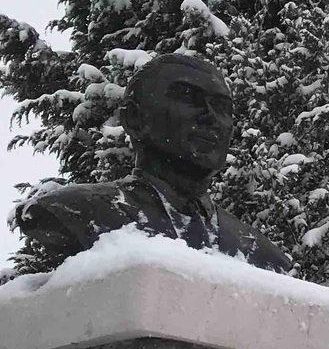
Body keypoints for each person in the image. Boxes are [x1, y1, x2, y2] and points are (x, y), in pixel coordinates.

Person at [14, 51, 292, 272]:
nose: (210, 117)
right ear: (134, 119)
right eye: (187, 98)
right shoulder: (77, 210)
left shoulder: (264, 255)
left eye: (222, 107)